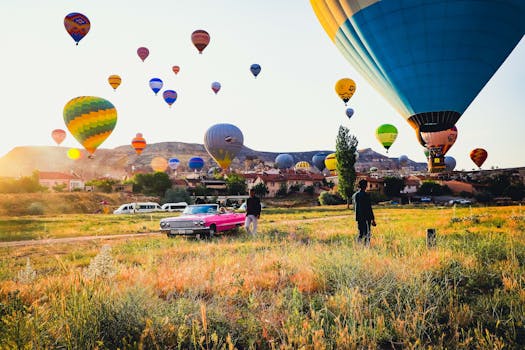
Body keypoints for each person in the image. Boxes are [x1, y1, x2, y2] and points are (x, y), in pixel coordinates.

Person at [352, 179, 376, 246]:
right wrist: (373, 219)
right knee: (367, 233)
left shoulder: (354, 195)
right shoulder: (366, 195)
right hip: (366, 217)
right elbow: (369, 208)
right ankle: (366, 246)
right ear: (365, 186)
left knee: (361, 233)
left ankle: (358, 246)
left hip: (359, 217)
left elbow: (354, 207)